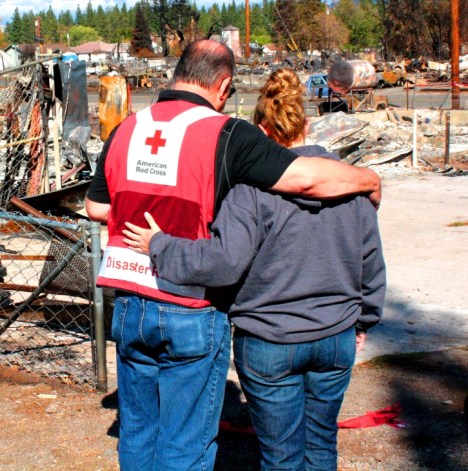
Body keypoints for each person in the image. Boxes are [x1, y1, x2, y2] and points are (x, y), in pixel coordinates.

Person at [85, 39, 381, 470]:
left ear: (178, 71)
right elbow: (303, 179)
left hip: (130, 297)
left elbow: (97, 208)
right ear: (223, 85)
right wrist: (367, 178)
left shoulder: (126, 128)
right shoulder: (225, 132)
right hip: (190, 301)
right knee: (185, 442)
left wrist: (148, 213)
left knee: (138, 431)